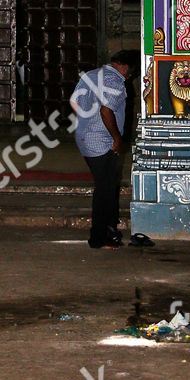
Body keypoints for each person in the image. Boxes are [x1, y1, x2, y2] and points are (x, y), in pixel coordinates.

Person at [70, 52, 133, 250]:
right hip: (103, 142)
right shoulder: (115, 81)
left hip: (84, 138)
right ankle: (99, 237)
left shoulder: (90, 75)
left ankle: (108, 231)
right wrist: (116, 138)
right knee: (105, 190)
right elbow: (106, 111)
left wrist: (86, 122)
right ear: (123, 66)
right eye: (131, 70)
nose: (130, 75)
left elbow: (74, 102)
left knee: (106, 186)